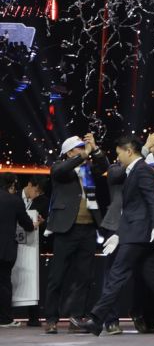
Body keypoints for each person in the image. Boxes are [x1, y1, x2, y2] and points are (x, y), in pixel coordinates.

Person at [99, 130, 154, 335]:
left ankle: (137, 312)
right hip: (117, 226)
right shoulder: (117, 167)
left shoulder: (144, 168)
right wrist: (145, 148)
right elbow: (117, 176)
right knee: (114, 274)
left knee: (143, 275)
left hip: (140, 228)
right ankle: (110, 320)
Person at [45, 133, 109, 334]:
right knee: (57, 276)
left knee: (84, 277)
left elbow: (104, 166)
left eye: (83, 147)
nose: (83, 150)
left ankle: (76, 318)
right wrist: (83, 155)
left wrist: (95, 149)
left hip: (88, 228)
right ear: (69, 152)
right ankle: (51, 319)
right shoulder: (59, 168)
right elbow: (61, 170)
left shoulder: (89, 169)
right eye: (79, 148)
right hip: (66, 229)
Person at [0, 173, 41, 328]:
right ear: (13, 184)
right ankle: (5, 319)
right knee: (4, 283)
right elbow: (27, 225)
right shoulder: (14, 201)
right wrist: (35, 224)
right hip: (5, 250)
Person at [19, 174, 49, 327]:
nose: (37, 195)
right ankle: (7, 316)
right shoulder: (13, 196)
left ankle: (33, 317)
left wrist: (43, 223)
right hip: (12, 244)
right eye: (36, 191)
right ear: (30, 185)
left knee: (33, 279)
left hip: (34, 245)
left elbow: (47, 223)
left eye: (40, 193)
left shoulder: (43, 201)